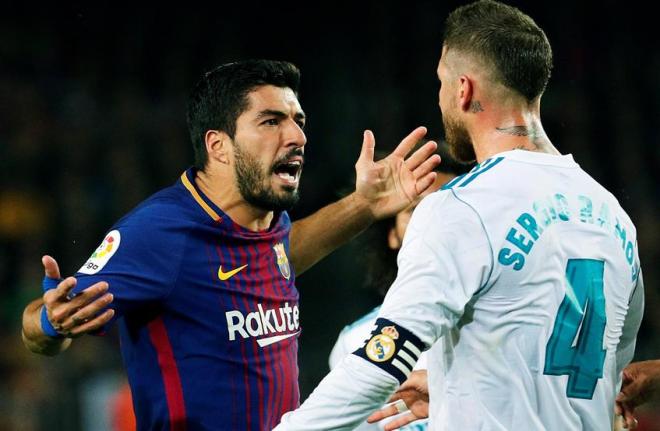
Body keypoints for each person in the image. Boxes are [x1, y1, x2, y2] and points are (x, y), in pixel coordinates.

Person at [274, 1, 644, 430]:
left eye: (441, 83)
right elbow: (606, 370)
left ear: (463, 89)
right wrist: (457, 385)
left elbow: (382, 361)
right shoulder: (612, 216)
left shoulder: (462, 206)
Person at [20, 59, 441, 430]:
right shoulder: (161, 233)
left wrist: (364, 204)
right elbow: (41, 325)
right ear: (218, 146)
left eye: (299, 120)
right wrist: (50, 323)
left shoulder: (265, 225)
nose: (297, 136)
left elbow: (283, 254)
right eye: (271, 121)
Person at [328, 142, 471, 431]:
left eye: (448, 211)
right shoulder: (356, 343)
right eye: (416, 211)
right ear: (392, 235)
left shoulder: (515, 319)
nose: (433, 227)